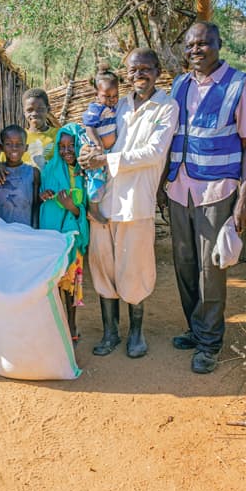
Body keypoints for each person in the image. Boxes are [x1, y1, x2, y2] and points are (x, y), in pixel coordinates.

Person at [161, 21, 246, 374]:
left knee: (211, 268)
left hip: (217, 190)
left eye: (203, 44)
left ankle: (210, 342)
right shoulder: (180, 84)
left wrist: (244, 198)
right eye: (190, 45)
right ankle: (195, 327)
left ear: (220, 45)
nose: (195, 51)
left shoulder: (239, 85)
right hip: (180, 188)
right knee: (185, 264)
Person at [78, 48, 178, 359]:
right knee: (103, 267)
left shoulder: (166, 107)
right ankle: (110, 333)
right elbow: (92, 135)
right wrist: (87, 153)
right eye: (133, 71)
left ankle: (136, 332)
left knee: (134, 269)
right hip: (104, 201)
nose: (139, 76)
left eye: (145, 69)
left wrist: (105, 159)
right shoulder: (118, 105)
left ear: (158, 70)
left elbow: (153, 152)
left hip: (136, 202)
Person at [38, 124, 89, 342]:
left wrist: (72, 207)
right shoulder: (50, 169)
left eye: (72, 146)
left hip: (73, 235)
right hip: (53, 235)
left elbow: (88, 206)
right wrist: (45, 195)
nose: (66, 151)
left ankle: (71, 325)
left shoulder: (86, 173)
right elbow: (41, 197)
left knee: (70, 284)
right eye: (62, 146)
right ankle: (56, 326)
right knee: (54, 283)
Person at [78, 66, 120, 224]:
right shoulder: (96, 108)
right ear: (97, 94)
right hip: (96, 150)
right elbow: (89, 127)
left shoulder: (113, 108)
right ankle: (93, 209)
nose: (111, 99)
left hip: (106, 151)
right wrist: (97, 145)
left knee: (103, 180)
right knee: (96, 180)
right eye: (106, 96)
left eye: (115, 95)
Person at [0, 124, 40, 227]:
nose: (14, 148)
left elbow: (35, 204)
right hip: (1, 229)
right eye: (8, 144)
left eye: (19, 144)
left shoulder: (33, 172)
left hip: (26, 228)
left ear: (26, 147)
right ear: (1, 147)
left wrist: (34, 229)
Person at [21, 88, 58, 169]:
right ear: (24, 112)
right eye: (29, 110)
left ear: (48, 110)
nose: (34, 113)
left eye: (40, 109)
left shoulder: (58, 135)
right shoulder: (19, 138)